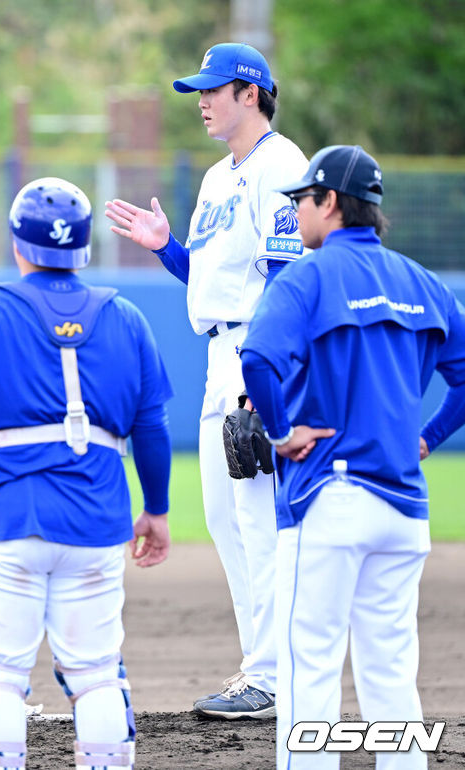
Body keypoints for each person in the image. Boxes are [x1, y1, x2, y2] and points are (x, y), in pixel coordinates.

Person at [0, 177, 173, 770]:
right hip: (97, 521)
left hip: (7, 518)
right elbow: (151, 428)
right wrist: (156, 510)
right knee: (97, 674)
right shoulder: (126, 318)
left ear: (17, 243)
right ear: (84, 247)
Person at [241, 145, 465, 769]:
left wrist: (281, 433)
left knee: (309, 668)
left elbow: (256, 359)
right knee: (391, 673)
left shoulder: (307, 277)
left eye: (302, 199)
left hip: (329, 499)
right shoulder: (422, 282)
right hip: (403, 508)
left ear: (331, 202)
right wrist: (429, 437)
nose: (296, 211)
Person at [104, 42, 308, 720]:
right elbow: (209, 276)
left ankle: (276, 675)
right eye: (200, 90)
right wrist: (166, 247)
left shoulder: (282, 166)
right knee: (226, 520)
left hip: (256, 353)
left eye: (214, 89)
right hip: (222, 353)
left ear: (251, 94)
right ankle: (260, 668)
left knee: (258, 517)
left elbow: (286, 278)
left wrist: (263, 376)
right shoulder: (220, 177)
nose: (202, 101)